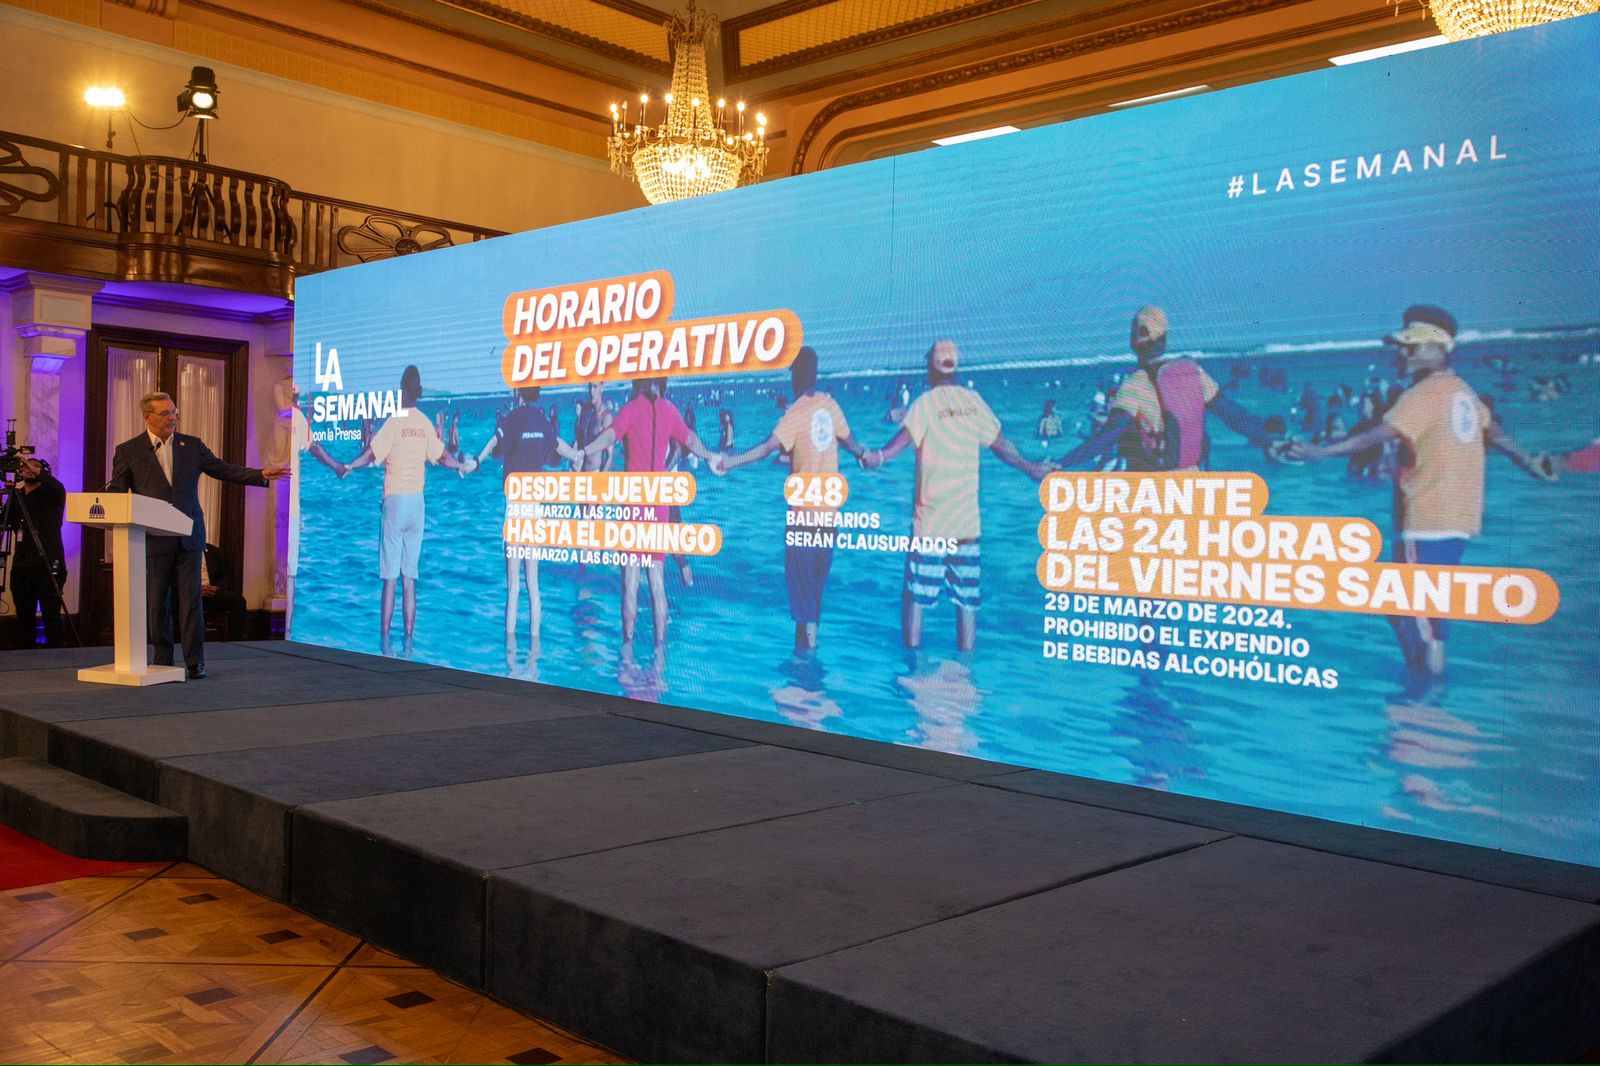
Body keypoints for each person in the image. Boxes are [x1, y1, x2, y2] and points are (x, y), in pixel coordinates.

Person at [1287, 305, 1556, 679]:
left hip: (1427, 518)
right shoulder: (1463, 392)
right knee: (1408, 606)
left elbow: (1375, 436)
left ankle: (1426, 697)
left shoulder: (1423, 394)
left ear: (1438, 348)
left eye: (1411, 347)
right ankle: (1422, 680)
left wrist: (1319, 452)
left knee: (1421, 616)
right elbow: (1494, 434)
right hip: (1459, 518)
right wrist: (1528, 461)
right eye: (1402, 346)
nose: (1402, 353)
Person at [863, 340, 1052, 653]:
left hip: (931, 525)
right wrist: (1030, 468)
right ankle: (966, 666)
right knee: (966, 603)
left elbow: (897, 446)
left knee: (916, 599)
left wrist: (875, 457)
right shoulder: (973, 402)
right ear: (955, 368)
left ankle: (913, 663)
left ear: (930, 369)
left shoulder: (925, 404)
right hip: (966, 524)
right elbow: (1002, 446)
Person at [107, 391, 288, 678]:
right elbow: (117, 490)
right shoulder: (129, 450)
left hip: (189, 536)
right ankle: (163, 659)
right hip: (154, 538)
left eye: (174, 412)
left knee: (191, 601)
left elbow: (223, 469)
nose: (172, 418)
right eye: (165, 413)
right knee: (157, 603)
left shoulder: (191, 446)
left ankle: (195, 662)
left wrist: (259, 474)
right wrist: (108, 505)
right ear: (147, 417)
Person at [719, 347, 867, 652]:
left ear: (796, 377)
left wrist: (730, 462)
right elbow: (853, 445)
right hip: (829, 520)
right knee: (815, 598)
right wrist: (871, 455)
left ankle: (804, 662)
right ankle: (810, 653)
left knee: (803, 602)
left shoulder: (795, 413)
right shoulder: (831, 406)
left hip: (803, 521)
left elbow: (766, 448)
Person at [573, 378, 722, 661]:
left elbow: (609, 437)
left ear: (637, 385)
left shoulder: (630, 409)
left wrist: (584, 450)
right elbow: (690, 440)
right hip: (659, 504)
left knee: (629, 581)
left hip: (634, 503)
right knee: (657, 582)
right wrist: (711, 457)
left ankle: (627, 651)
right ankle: (659, 654)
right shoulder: (669, 409)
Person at [342, 365, 473, 657]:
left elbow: (371, 454)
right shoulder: (425, 424)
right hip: (417, 504)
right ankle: (409, 645)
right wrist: (460, 466)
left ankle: (385, 644)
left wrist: (350, 465)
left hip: (394, 502)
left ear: (401, 391)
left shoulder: (394, 422)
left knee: (389, 579)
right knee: (409, 579)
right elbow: (443, 456)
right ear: (420, 392)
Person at [1058, 307, 1278, 471]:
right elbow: (1235, 417)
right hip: (1194, 480)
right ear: (1165, 339)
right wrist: (1272, 440)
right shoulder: (1194, 372)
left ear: (1133, 342)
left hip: (1155, 487)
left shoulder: (1135, 384)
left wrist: (1062, 464)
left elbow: (1109, 434)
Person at [474, 386, 567, 671]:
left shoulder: (512, 418)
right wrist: (579, 454)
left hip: (516, 509)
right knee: (534, 587)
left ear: (518, 392)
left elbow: (494, 443)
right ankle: (534, 659)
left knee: (513, 587)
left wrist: (475, 461)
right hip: (535, 511)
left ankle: (511, 662)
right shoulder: (542, 421)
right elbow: (559, 447)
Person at [282, 378, 346, 634]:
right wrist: (337, 466)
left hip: (273, 504)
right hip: (290, 505)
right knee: (290, 571)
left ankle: (283, 629)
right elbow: (314, 448)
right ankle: (287, 629)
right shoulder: (296, 417)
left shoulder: (273, 419)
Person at [3, 456, 67, 648]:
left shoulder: (52, 494)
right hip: (22, 563)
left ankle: (56, 652)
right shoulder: (17, 496)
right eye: (24, 467)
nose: (28, 469)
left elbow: (56, 486)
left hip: (48, 561)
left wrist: (30, 464)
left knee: (50, 612)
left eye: (34, 466)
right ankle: (26, 654)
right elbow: (5, 520)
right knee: (23, 613)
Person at [575, 382, 615, 471]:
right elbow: (578, 439)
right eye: (589, 387)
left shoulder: (606, 416)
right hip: (580, 470)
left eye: (595, 387)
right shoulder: (584, 411)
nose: (591, 391)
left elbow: (609, 455)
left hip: (595, 471)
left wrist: (602, 477)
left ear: (602, 388)